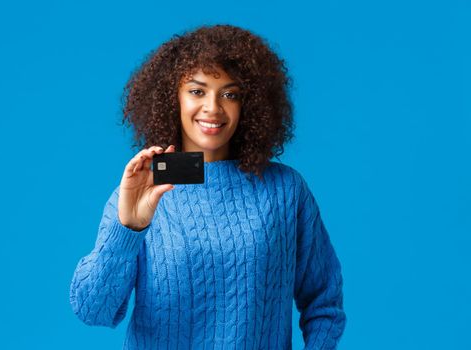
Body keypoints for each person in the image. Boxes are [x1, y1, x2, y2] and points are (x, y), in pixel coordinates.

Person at [69, 24, 346, 349]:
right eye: (197, 91)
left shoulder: (284, 190)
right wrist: (128, 229)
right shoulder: (144, 189)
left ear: (250, 104)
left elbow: (325, 304)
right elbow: (93, 310)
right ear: (173, 97)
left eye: (230, 94)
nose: (213, 108)